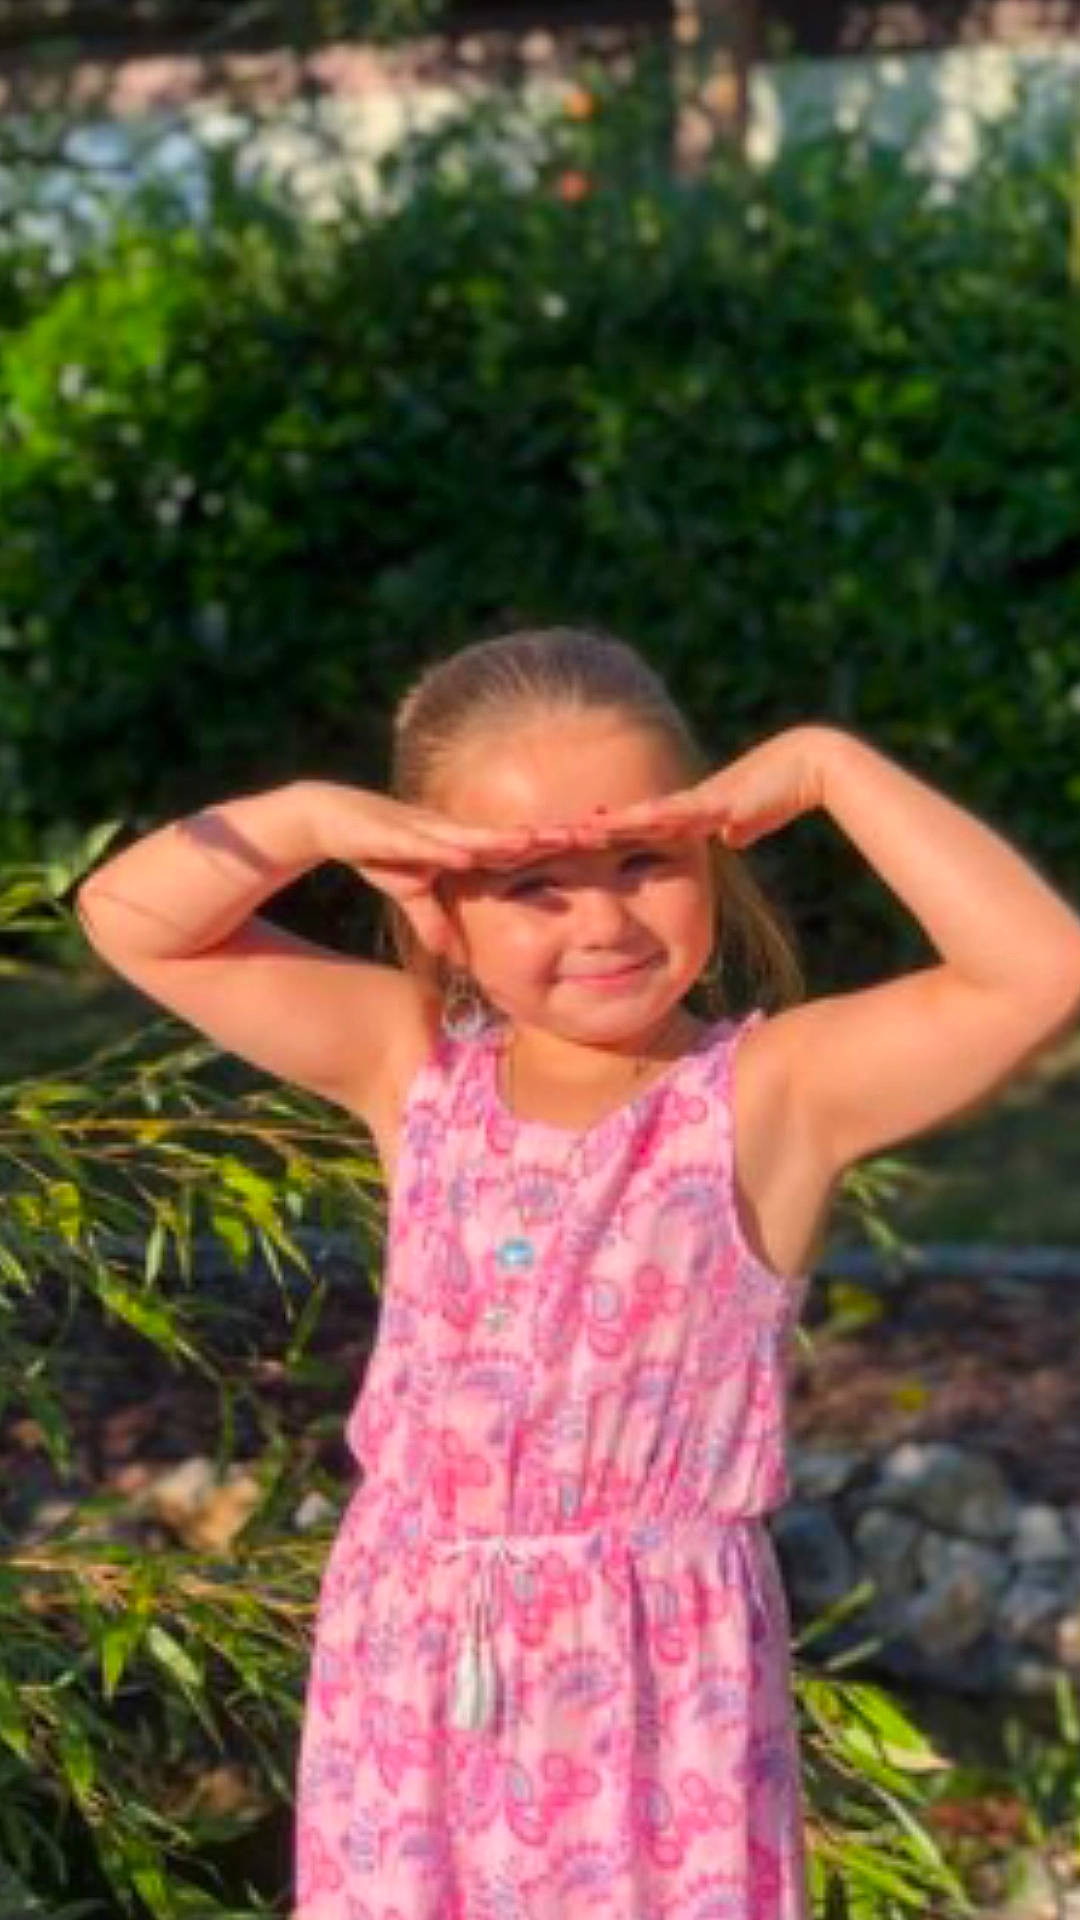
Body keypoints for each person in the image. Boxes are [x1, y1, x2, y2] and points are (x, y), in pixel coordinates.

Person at [76, 626, 1080, 1920]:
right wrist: (317, 816)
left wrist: (831, 769)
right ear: (435, 909)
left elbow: (1040, 966)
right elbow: (131, 919)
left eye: (644, 860)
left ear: (712, 857)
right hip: (411, 1654)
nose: (602, 918)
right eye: (535, 882)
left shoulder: (774, 1097)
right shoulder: (413, 1062)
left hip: (655, 1679)